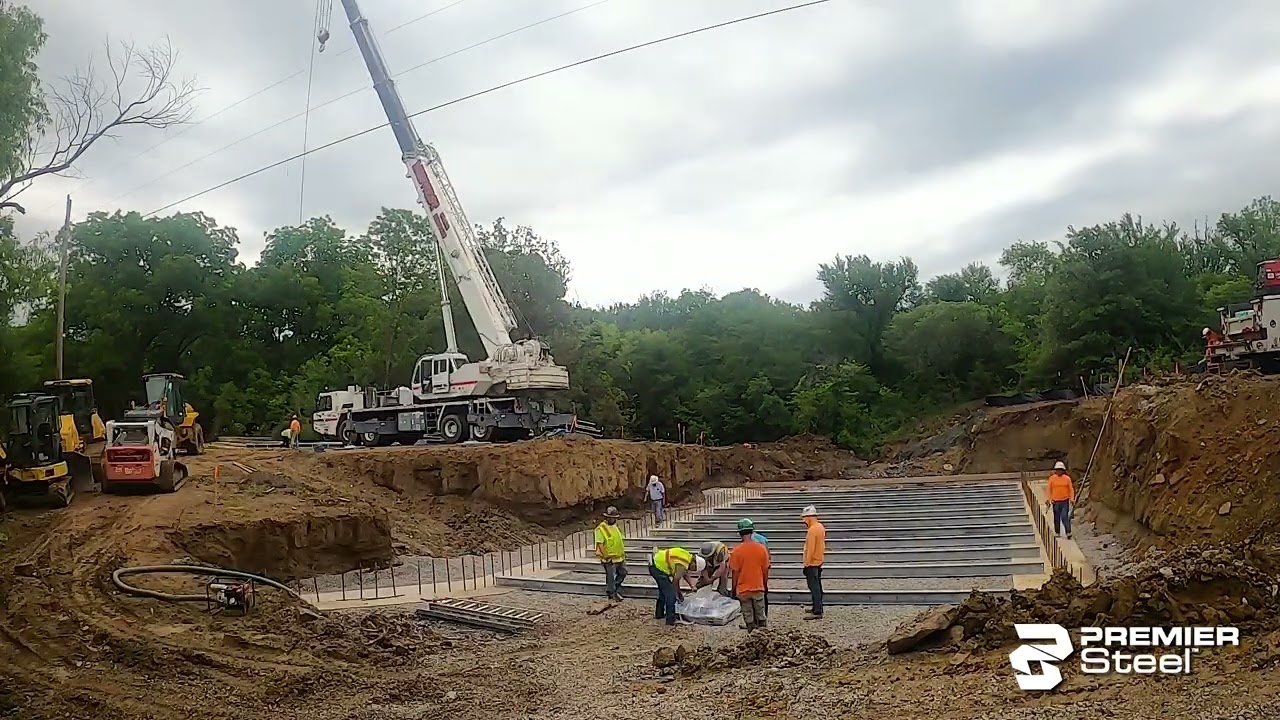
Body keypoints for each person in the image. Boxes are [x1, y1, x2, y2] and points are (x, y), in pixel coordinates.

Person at [728, 518, 770, 631]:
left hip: (743, 590)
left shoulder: (736, 551)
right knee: (761, 615)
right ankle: (764, 637)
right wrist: (765, 585)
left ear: (740, 534)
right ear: (752, 532)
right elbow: (765, 570)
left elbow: (735, 572)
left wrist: (733, 589)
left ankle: (752, 638)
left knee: (748, 616)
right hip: (758, 587)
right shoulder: (762, 549)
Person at [648, 547, 702, 626]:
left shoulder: (687, 557)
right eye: (694, 568)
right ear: (694, 563)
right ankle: (671, 619)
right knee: (670, 595)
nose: (692, 570)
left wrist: (692, 586)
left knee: (663, 592)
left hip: (655, 563)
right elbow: (675, 581)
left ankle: (659, 615)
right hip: (658, 567)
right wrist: (679, 594)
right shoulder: (684, 563)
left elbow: (684, 573)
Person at [595, 506, 627, 602]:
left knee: (623, 573)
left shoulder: (615, 527)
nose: (613, 519)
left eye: (614, 518)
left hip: (619, 557)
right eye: (612, 517)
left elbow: (618, 541)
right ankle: (611, 594)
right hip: (609, 559)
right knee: (610, 577)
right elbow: (600, 543)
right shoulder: (601, 528)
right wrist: (605, 556)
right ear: (607, 517)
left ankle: (615, 589)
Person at [801, 505, 826, 620]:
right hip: (818, 560)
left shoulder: (812, 530)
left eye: (804, 518)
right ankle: (817, 607)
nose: (803, 521)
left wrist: (806, 563)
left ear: (809, 517)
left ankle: (817, 611)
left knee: (814, 587)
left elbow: (810, 548)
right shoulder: (820, 527)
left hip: (812, 563)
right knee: (817, 586)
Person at [1045, 461, 1074, 539]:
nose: (1059, 471)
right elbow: (1049, 489)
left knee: (1064, 516)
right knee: (1056, 517)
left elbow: (1071, 489)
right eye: (1057, 469)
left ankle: (1068, 532)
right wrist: (1049, 499)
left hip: (1065, 501)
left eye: (1060, 469)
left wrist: (1072, 499)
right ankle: (1057, 532)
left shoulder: (1067, 479)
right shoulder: (1052, 479)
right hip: (1055, 501)